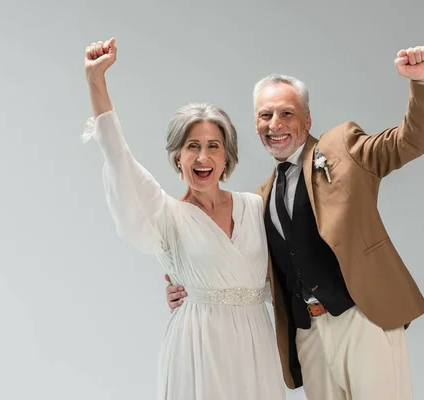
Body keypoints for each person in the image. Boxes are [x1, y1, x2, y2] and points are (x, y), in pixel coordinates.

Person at [166, 45, 424, 399]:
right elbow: (243, 267)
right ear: (255, 124)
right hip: (308, 334)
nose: (275, 124)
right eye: (265, 115)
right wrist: (188, 289)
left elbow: (407, 141)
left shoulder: (343, 147)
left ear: (307, 120)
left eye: (287, 113)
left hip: (364, 319)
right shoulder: (259, 198)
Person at [81, 38, 285, 400]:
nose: (202, 156)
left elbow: (283, 273)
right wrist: (96, 80)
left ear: (227, 156)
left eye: (213, 146)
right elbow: (118, 156)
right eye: (192, 146)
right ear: (178, 157)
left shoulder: (255, 207)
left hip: (256, 344)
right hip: (198, 347)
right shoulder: (165, 216)